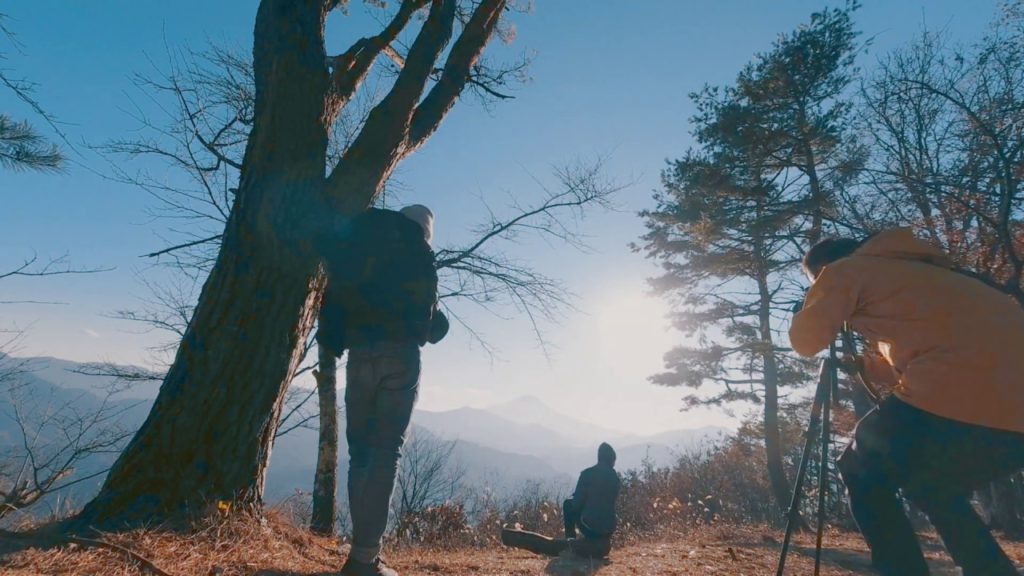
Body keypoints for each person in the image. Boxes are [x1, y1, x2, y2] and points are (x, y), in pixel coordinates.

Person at [790, 227, 1024, 576]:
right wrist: (865, 365)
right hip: (1011, 412)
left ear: (823, 271)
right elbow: (934, 349)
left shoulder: (844, 271)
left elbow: (806, 341)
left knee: (859, 466)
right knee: (933, 486)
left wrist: (809, 307)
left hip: (955, 387)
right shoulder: (926, 273)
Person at [317, 204, 449, 576]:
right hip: (400, 358)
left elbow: (340, 295)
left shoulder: (367, 248)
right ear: (425, 231)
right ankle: (364, 557)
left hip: (360, 355)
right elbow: (429, 326)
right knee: (386, 451)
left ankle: (360, 554)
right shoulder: (420, 257)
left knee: (359, 452)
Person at [501, 442, 620, 559]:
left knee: (568, 504)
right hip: (608, 530)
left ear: (599, 458)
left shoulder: (587, 474)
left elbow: (576, 504)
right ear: (612, 460)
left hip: (591, 529)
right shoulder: (615, 478)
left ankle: (570, 539)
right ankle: (576, 541)